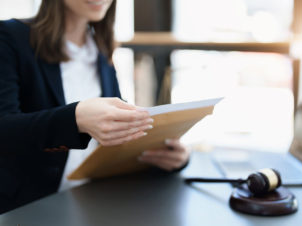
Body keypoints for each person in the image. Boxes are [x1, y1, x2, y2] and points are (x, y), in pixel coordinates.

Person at [0, 0, 189, 214]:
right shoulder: (10, 37)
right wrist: (76, 118)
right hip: (31, 206)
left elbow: (117, 137)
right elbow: (4, 128)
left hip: (92, 199)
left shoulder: (99, 47)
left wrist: (169, 156)